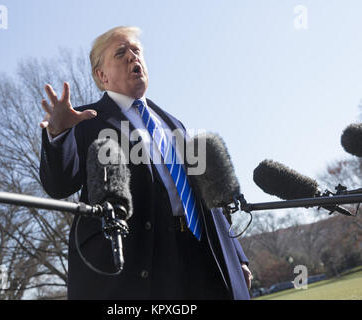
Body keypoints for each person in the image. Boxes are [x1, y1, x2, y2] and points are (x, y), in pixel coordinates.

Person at [39, 26, 252, 300]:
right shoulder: (84, 119)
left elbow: (208, 198)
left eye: (136, 50)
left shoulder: (173, 123)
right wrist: (59, 134)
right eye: (120, 53)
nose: (132, 57)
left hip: (203, 254)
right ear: (101, 75)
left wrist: (237, 257)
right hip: (144, 261)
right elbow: (58, 185)